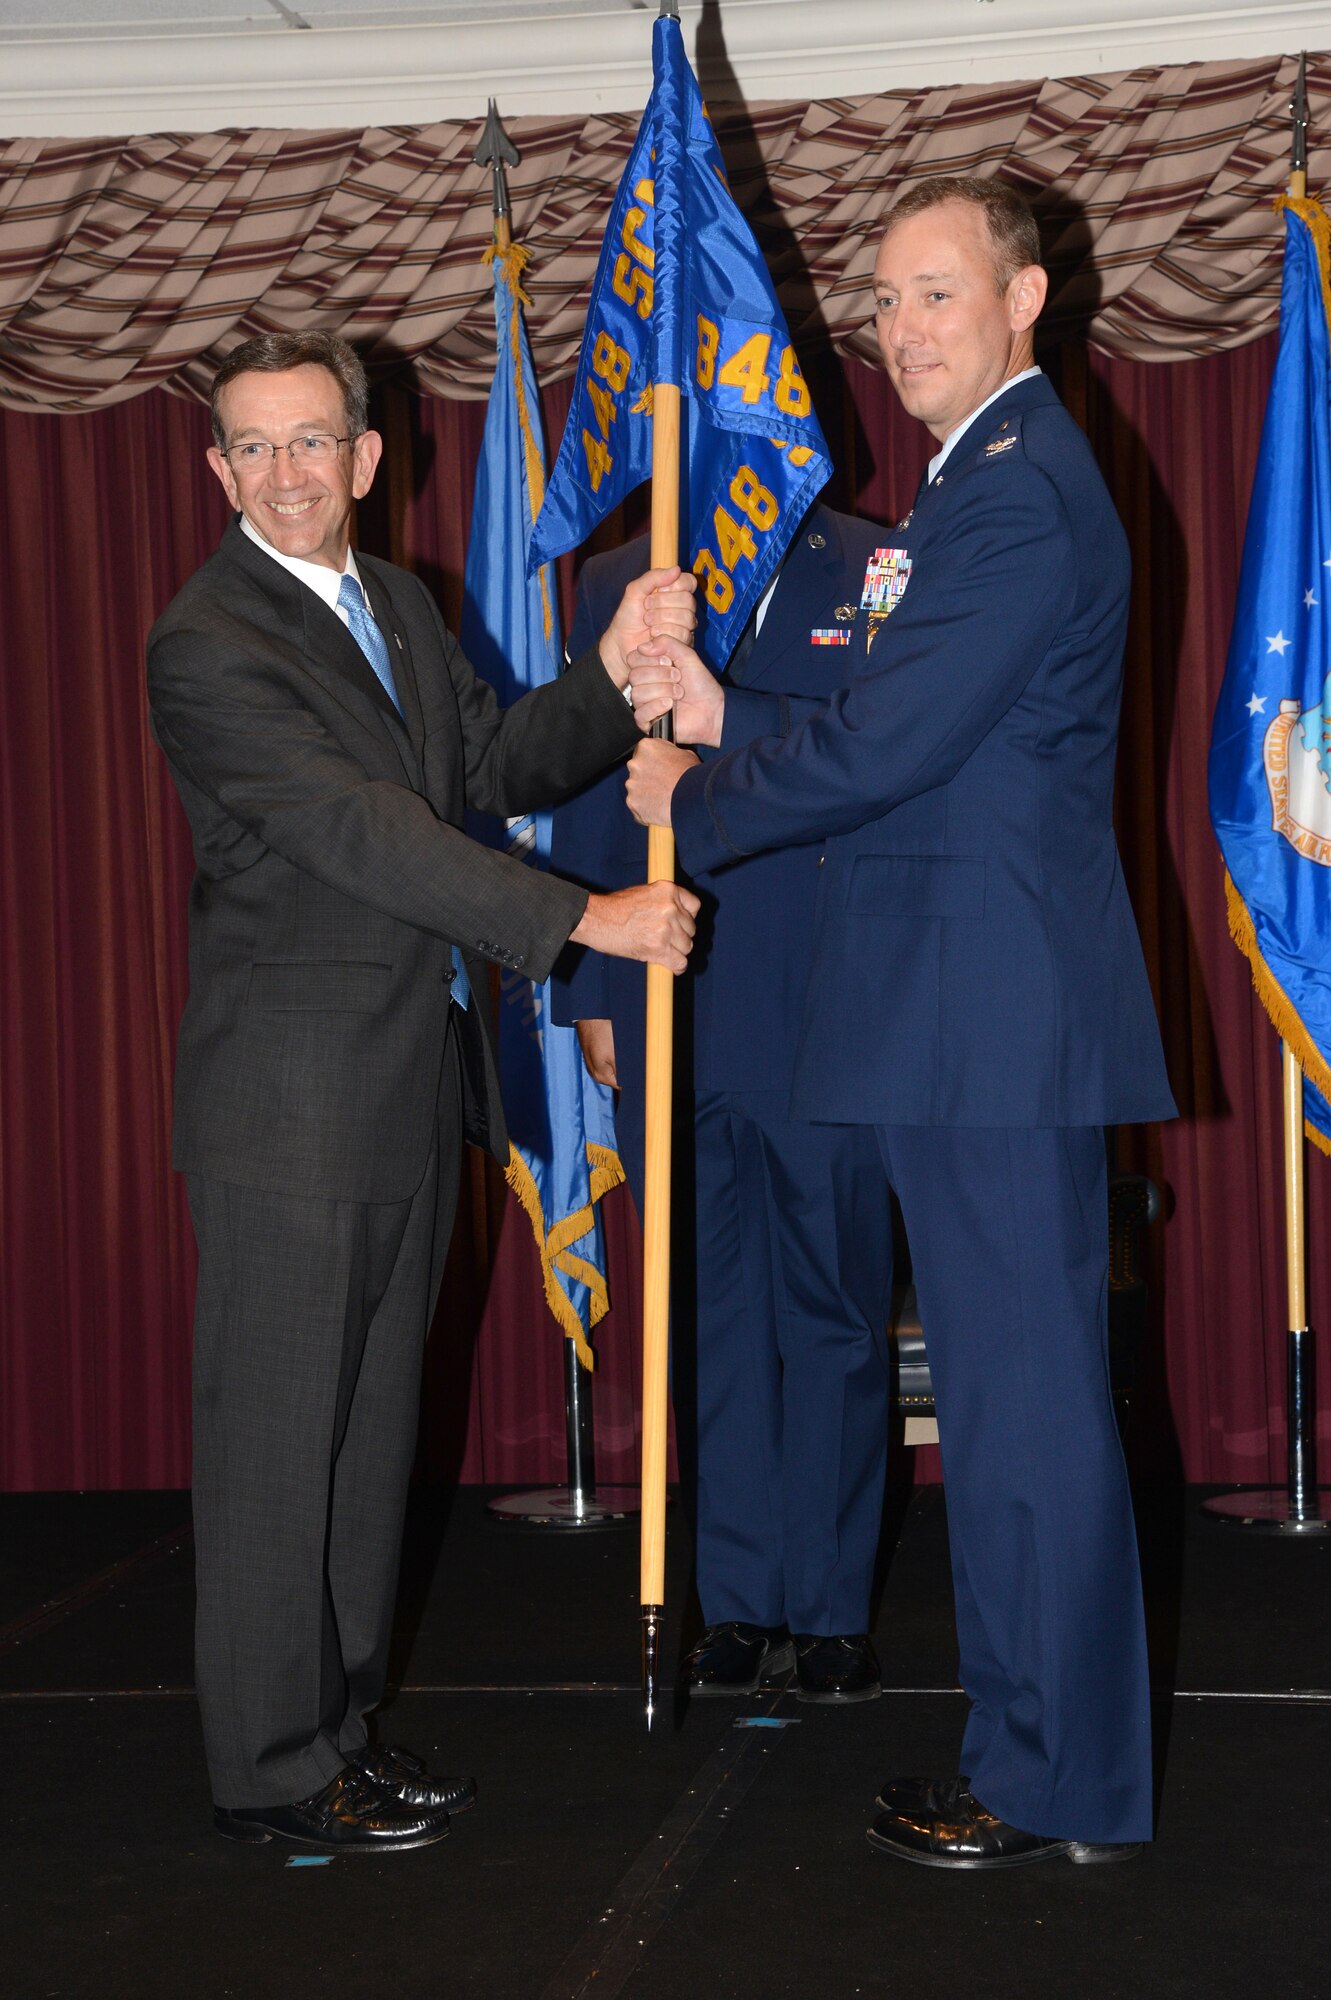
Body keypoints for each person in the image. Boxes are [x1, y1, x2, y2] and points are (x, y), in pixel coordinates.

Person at [625, 175, 1176, 1869]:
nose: (898, 326)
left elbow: (889, 750)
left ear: (1022, 300)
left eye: (935, 292)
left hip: (986, 1020)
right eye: (884, 298)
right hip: (967, 1013)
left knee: (1024, 1421)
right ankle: (1043, 1762)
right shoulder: (981, 486)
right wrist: (732, 702)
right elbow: (893, 704)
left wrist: (702, 792)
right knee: (1021, 1414)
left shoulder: (1013, 492)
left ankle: (1054, 1780)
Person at [147, 332, 700, 1855]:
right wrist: (583, 920)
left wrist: (607, 667)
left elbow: (496, 757)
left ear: (367, 457)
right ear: (216, 471)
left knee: (362, 1435)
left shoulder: (395, 605)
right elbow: (365, 831)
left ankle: (335, 1730)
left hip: (398, 1087)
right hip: (288, 1106)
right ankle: (268, 1766)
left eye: (309, 442)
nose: (282, 474)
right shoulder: (209, 641)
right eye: (250, 449)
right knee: (277, 1447)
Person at [551, 511, 895, 1704]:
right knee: (702, 1314)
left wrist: (716, 766)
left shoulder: (871, 565)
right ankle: (742, 1596)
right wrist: (589, 987)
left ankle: (833, 1603)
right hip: (663, 994)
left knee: (834, 1313)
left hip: (819, 997)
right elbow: (593, 784)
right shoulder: (620, 572)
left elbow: (881, 755)